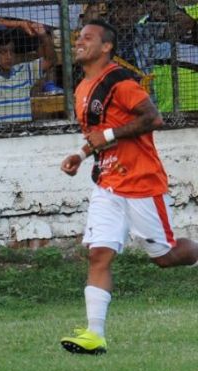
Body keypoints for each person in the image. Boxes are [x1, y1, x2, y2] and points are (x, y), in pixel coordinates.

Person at [59, 19, 198, 354]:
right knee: (98, 254)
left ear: (107, 47)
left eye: (87, 38)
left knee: (164, 257)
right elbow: (98, 134)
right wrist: (80, 154)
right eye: (78, 38)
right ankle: (94, 335)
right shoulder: (81, 89)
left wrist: (105, 137)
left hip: (140, 181)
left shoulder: (121, 82)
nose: (79, 42)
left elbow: (153, 119)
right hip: (107, 183)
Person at [0, 17, 57, 124]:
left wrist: (43, 34)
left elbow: (51, 60)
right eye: (3, 52)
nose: (9, 56)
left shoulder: (24, 71)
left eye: (11, 52)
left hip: (21, 134)